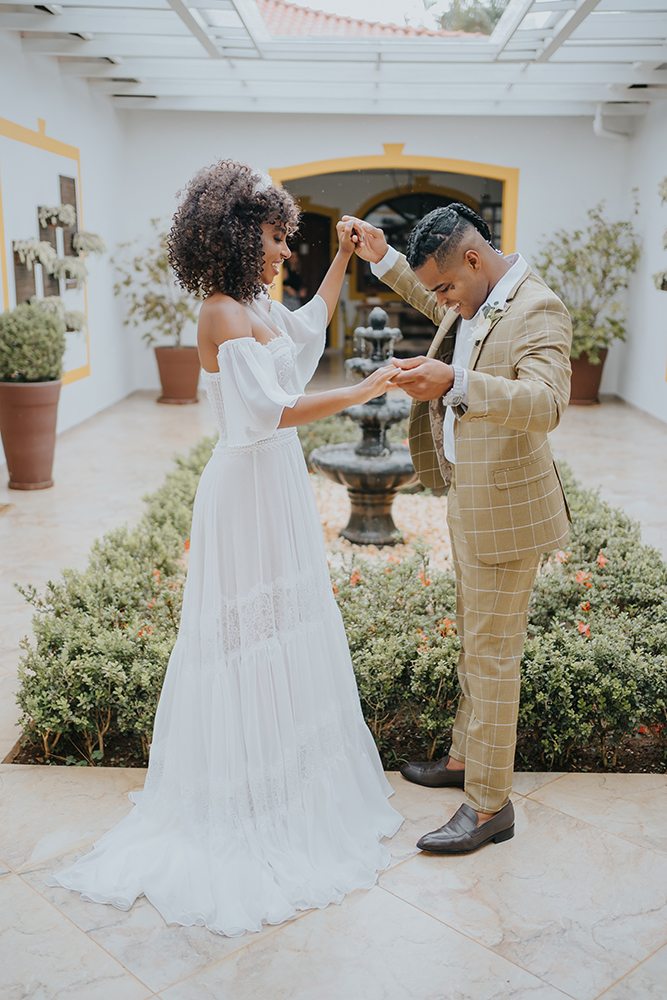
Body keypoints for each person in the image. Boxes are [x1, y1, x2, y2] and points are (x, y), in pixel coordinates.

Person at [46, 161, 402, 936]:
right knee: (246, 638)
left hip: (274, 488)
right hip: (244, 492)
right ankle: (242, 795)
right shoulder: (219, 314)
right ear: (243, 238)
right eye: (277, 241)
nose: (285, 254)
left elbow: (308, 329)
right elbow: (264, 416)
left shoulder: (254, 304)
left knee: (285, 630)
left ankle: (282, 788)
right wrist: (367, 389)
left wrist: (344, 258)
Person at [345, 203, 571, 854]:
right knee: (476, 644)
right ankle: (464, 760)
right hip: (469, 499)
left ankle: (489, 807)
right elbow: (429, 291)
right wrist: (380, 256)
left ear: (472, 260)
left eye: (446, 287)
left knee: (494, 658)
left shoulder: (536, 310)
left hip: (506, 514)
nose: (440, 302)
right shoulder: (475, 294)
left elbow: (547, 404)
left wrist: (457, 380)